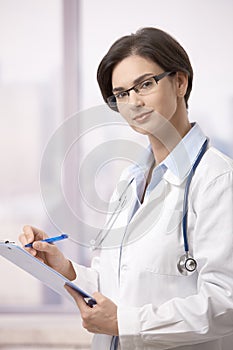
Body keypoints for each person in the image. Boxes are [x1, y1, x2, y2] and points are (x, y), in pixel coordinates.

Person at [19, 27, 233, 350]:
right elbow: (117, 285)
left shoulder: (216, 179)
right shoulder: (129, 182)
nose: (133, 102)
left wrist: (125, 323)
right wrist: (63, 267)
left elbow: (224, 303)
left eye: (145, 84)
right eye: (120, 94)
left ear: (180, 82)